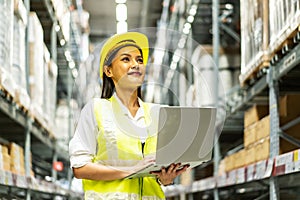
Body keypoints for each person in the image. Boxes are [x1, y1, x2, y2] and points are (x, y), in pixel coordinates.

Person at [69, 31, 189, 199]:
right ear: (108, 71)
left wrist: (165, 179)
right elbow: (80, 168)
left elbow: (157, 172)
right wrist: (130, 171)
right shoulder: (95, 110)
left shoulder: (157, 114)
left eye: (139, 60)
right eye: (126, 59)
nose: (136, 64)